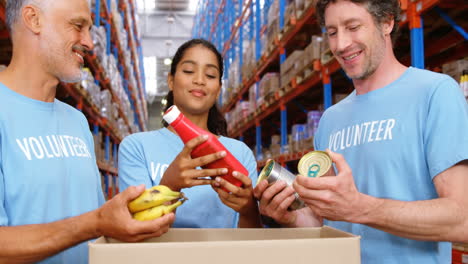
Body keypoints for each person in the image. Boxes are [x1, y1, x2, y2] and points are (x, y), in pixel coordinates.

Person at [254, 0, 468, 263]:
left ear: (387, 22)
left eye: (353, 27)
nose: (341, 44)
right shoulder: (330, 119)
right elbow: (327, 221)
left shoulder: (434, 93)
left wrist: (360, 208)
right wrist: (290, 217)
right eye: (332, 32)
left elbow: (462, 218)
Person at [0, 0, 174, 263]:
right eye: (78, 26)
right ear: (33, 19)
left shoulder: (77, 121)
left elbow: (95, 224)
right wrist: (96, 223)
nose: (90, 43)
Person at [118, 39, 261, 228]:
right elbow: (132, 226)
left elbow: (251, 240)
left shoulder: (240, 153)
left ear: (218, 89)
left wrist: (249, 209)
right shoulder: (136, 147)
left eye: (210, 75)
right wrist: (169, 186)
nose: (200, 80)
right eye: (188, 71)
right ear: (171, 80)